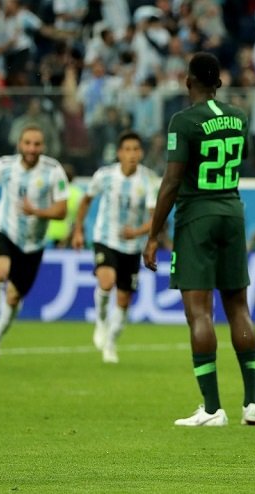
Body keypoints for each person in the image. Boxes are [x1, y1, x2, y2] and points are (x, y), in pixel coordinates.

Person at [142, 52, 255, 427]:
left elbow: (172, 180)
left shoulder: (183, 121)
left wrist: (152, 236)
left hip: (197, 216)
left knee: (199, 312)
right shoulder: (239, 116)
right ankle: (252, 404)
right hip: (232, 210)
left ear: (187, 80)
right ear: (220, 82)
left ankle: (212, 409)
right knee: (238, 307)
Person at [0, 126, 70, 367]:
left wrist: (36, 212)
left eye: (36, 144)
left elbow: (61, 211)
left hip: (33, 243)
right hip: (4, 230)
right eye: (27, 143)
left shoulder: (53, 171)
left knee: (14, 296)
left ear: (43, 146)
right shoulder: (4, 165)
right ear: (19, 144)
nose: (31, 148)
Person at [72, 131, 157, 364]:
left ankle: (110, 342)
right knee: (106, 282)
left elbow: (155, 218)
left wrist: (137, 232)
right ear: (119, 153)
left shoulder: (148, 180)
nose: (131, 154)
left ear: (141, 153)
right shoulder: (104, 176)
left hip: (131, 247)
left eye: (136, 150)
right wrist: (78, 229)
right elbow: (86, 200)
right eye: (127, 149)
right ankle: (100, 321)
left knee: (124, 300)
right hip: (105, 238)